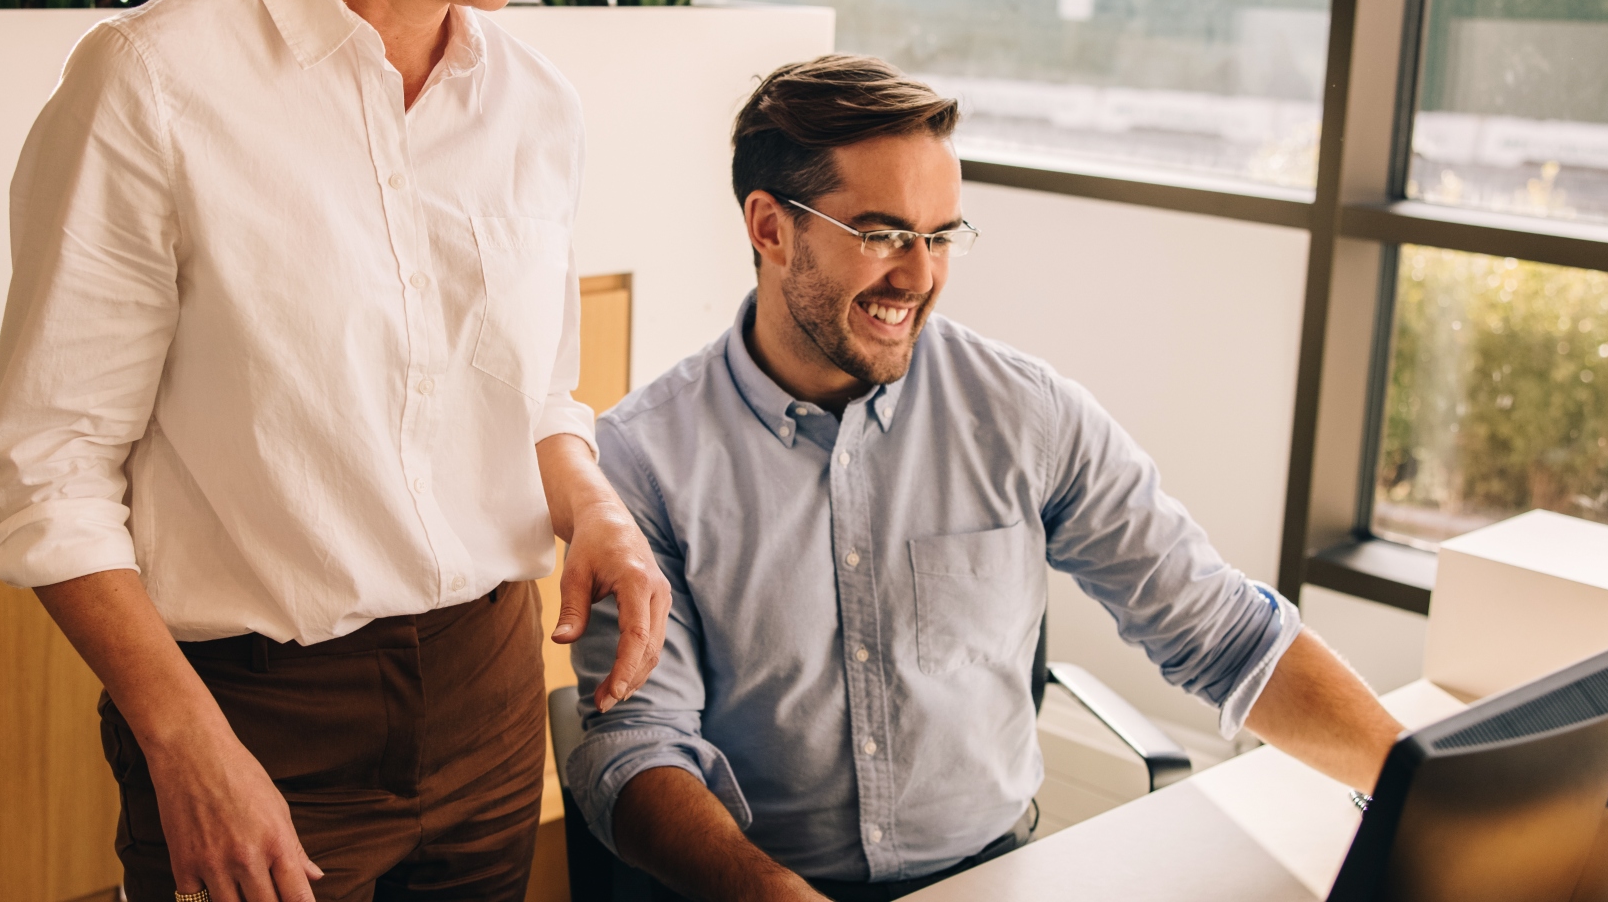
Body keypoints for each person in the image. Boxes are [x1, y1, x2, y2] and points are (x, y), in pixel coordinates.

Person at [0, 0, 670, 902]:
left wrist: (594, 507)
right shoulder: (152, 87)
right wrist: (185, 744)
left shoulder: (536, 106)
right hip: (256, 716)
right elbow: (48, 474)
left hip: (489, 695)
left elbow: (532, 402)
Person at [563, 56, 1404, 902]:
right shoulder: (644, 462)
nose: (920, 276)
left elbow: (1219, 630)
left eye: (941, 236)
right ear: (771, 228)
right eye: (884, 234)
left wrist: (1415, 787)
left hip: (993, 876)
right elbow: (638, 748)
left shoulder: (1026, 414)